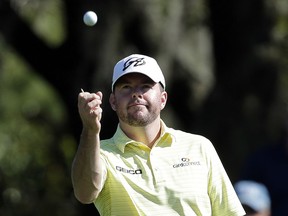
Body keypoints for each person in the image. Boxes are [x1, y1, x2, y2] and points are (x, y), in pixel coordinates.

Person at [71, 54, 245, 215]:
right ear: (113, 101)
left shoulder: (199, 147)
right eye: (126, 87)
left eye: (145, 86)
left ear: (163, 99)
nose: (136, 93)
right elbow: (85, 193)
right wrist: (90, 130)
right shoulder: (100, 154)